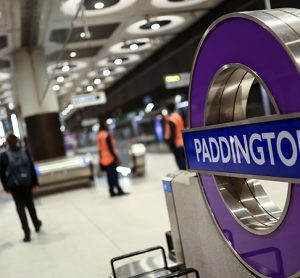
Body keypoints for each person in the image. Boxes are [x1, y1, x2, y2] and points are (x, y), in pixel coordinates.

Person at [0, 134, 42, 242]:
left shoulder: (4, 155)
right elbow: (32, 168)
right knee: (30, 204)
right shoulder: (25, 151)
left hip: (14, 185)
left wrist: (6, 187)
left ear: (7, 143)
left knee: (20, 207)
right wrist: (35, 183)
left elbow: (2, 173)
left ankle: (26, 233)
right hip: (26, 183)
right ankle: (36, 224)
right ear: (17, 141)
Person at [97, 120, 127, 197]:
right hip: (110, 159)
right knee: (114, 175)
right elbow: (110, 148)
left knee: (109, 176)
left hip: (103, 159)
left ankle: (111, 191)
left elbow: (100, 149)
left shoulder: (99, 135)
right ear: (105, 127)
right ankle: (119, 190)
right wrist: (116, 158)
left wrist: (100, 160)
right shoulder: (106, 135)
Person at [164, 103, 186, 170]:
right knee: (185, 161)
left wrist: (170, 145)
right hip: (183, 141)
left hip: (177, 144)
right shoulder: (178, 116)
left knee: (180, 163)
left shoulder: (171, 119)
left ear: (168, 109)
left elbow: (172, 133)